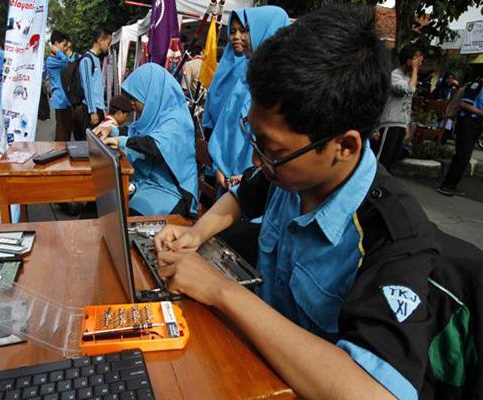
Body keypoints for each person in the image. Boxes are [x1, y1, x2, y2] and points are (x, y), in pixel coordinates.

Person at [154, 5, 483, 398]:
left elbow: (376, 392)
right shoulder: (290, 172)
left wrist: (220, 289)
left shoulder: (393, 237)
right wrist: (195, 233)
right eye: (253, 137)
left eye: (270, 150)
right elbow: (242, 197)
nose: (258, 159)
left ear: (344, 146)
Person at [208, 7, 289, 195]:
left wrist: (252, 175)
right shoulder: (246, 77)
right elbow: (227, 125)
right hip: (229, 179)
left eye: (247, 30)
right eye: (234, 31)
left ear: (269, 32)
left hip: (257, 187)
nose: (240, 37)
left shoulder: (281, 86)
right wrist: (220, 164)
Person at [102, 63, 198, 217]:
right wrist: (111, 130)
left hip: (172, 190)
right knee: (109, 204)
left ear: (152, 93)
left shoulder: (177, 119)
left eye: (135, 97)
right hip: (150, 183)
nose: (131, 102)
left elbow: (155, 145)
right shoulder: (158, 112)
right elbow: (135, 131)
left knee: (119, 213)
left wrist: (121, 141)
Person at [371, 44, 423, 170]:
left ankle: (381, 188)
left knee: (390, 160)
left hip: (399, 124)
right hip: (388, 124)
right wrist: (415, 69)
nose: (420, 61)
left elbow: (407, 103)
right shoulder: (394, 76)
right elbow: (410, 89)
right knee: (380, 161)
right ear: (408, 60)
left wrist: (406, 124)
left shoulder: (407, 77)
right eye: (416, 58)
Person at [201, 11, 248, 142]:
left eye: (243, 31)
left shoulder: (252, 69)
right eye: (232, 31)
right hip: (214, 138)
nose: (236, 37)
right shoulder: (223, 65)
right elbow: (211, 98)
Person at [437, 78, 483, 196]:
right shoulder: (476, 85)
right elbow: (464, 104)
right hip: (467, 123)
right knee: (462, 156)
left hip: (475, 125)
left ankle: (452, 185)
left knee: (464, 156)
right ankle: (447, 185)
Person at [78, 26, 111, 132]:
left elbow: (97, 87)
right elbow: (88, 87)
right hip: (92, 110)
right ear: (100, 40)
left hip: (98, 109)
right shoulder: (87, 59)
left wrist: (103, 108)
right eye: (108, 43)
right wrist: (92, 111)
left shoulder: (96, 59)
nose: (108, 46)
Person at [46, 30, 76, 141]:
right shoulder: (51, 61)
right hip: (60, 102)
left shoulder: (57, 59)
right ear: (55, 44)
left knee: (66, 134)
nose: (64, 48)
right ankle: (58, 156)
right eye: (63, 45)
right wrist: (56, 51)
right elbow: (68, 63)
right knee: (61, 136)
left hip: (66, 101)